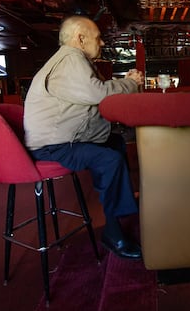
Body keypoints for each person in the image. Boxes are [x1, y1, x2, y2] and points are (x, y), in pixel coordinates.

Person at [23, 15, 145, 260]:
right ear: (80, 38)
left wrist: (122, 86)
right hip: (53, 147)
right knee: (109, 159)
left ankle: (118, 202)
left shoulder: (69, 60)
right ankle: (114, 232)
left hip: (57, 141)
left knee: (115, 143)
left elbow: (89, 102)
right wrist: (130, 84)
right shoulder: (70, 58)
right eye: (98, 38)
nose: (101, 44)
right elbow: (96, 94)